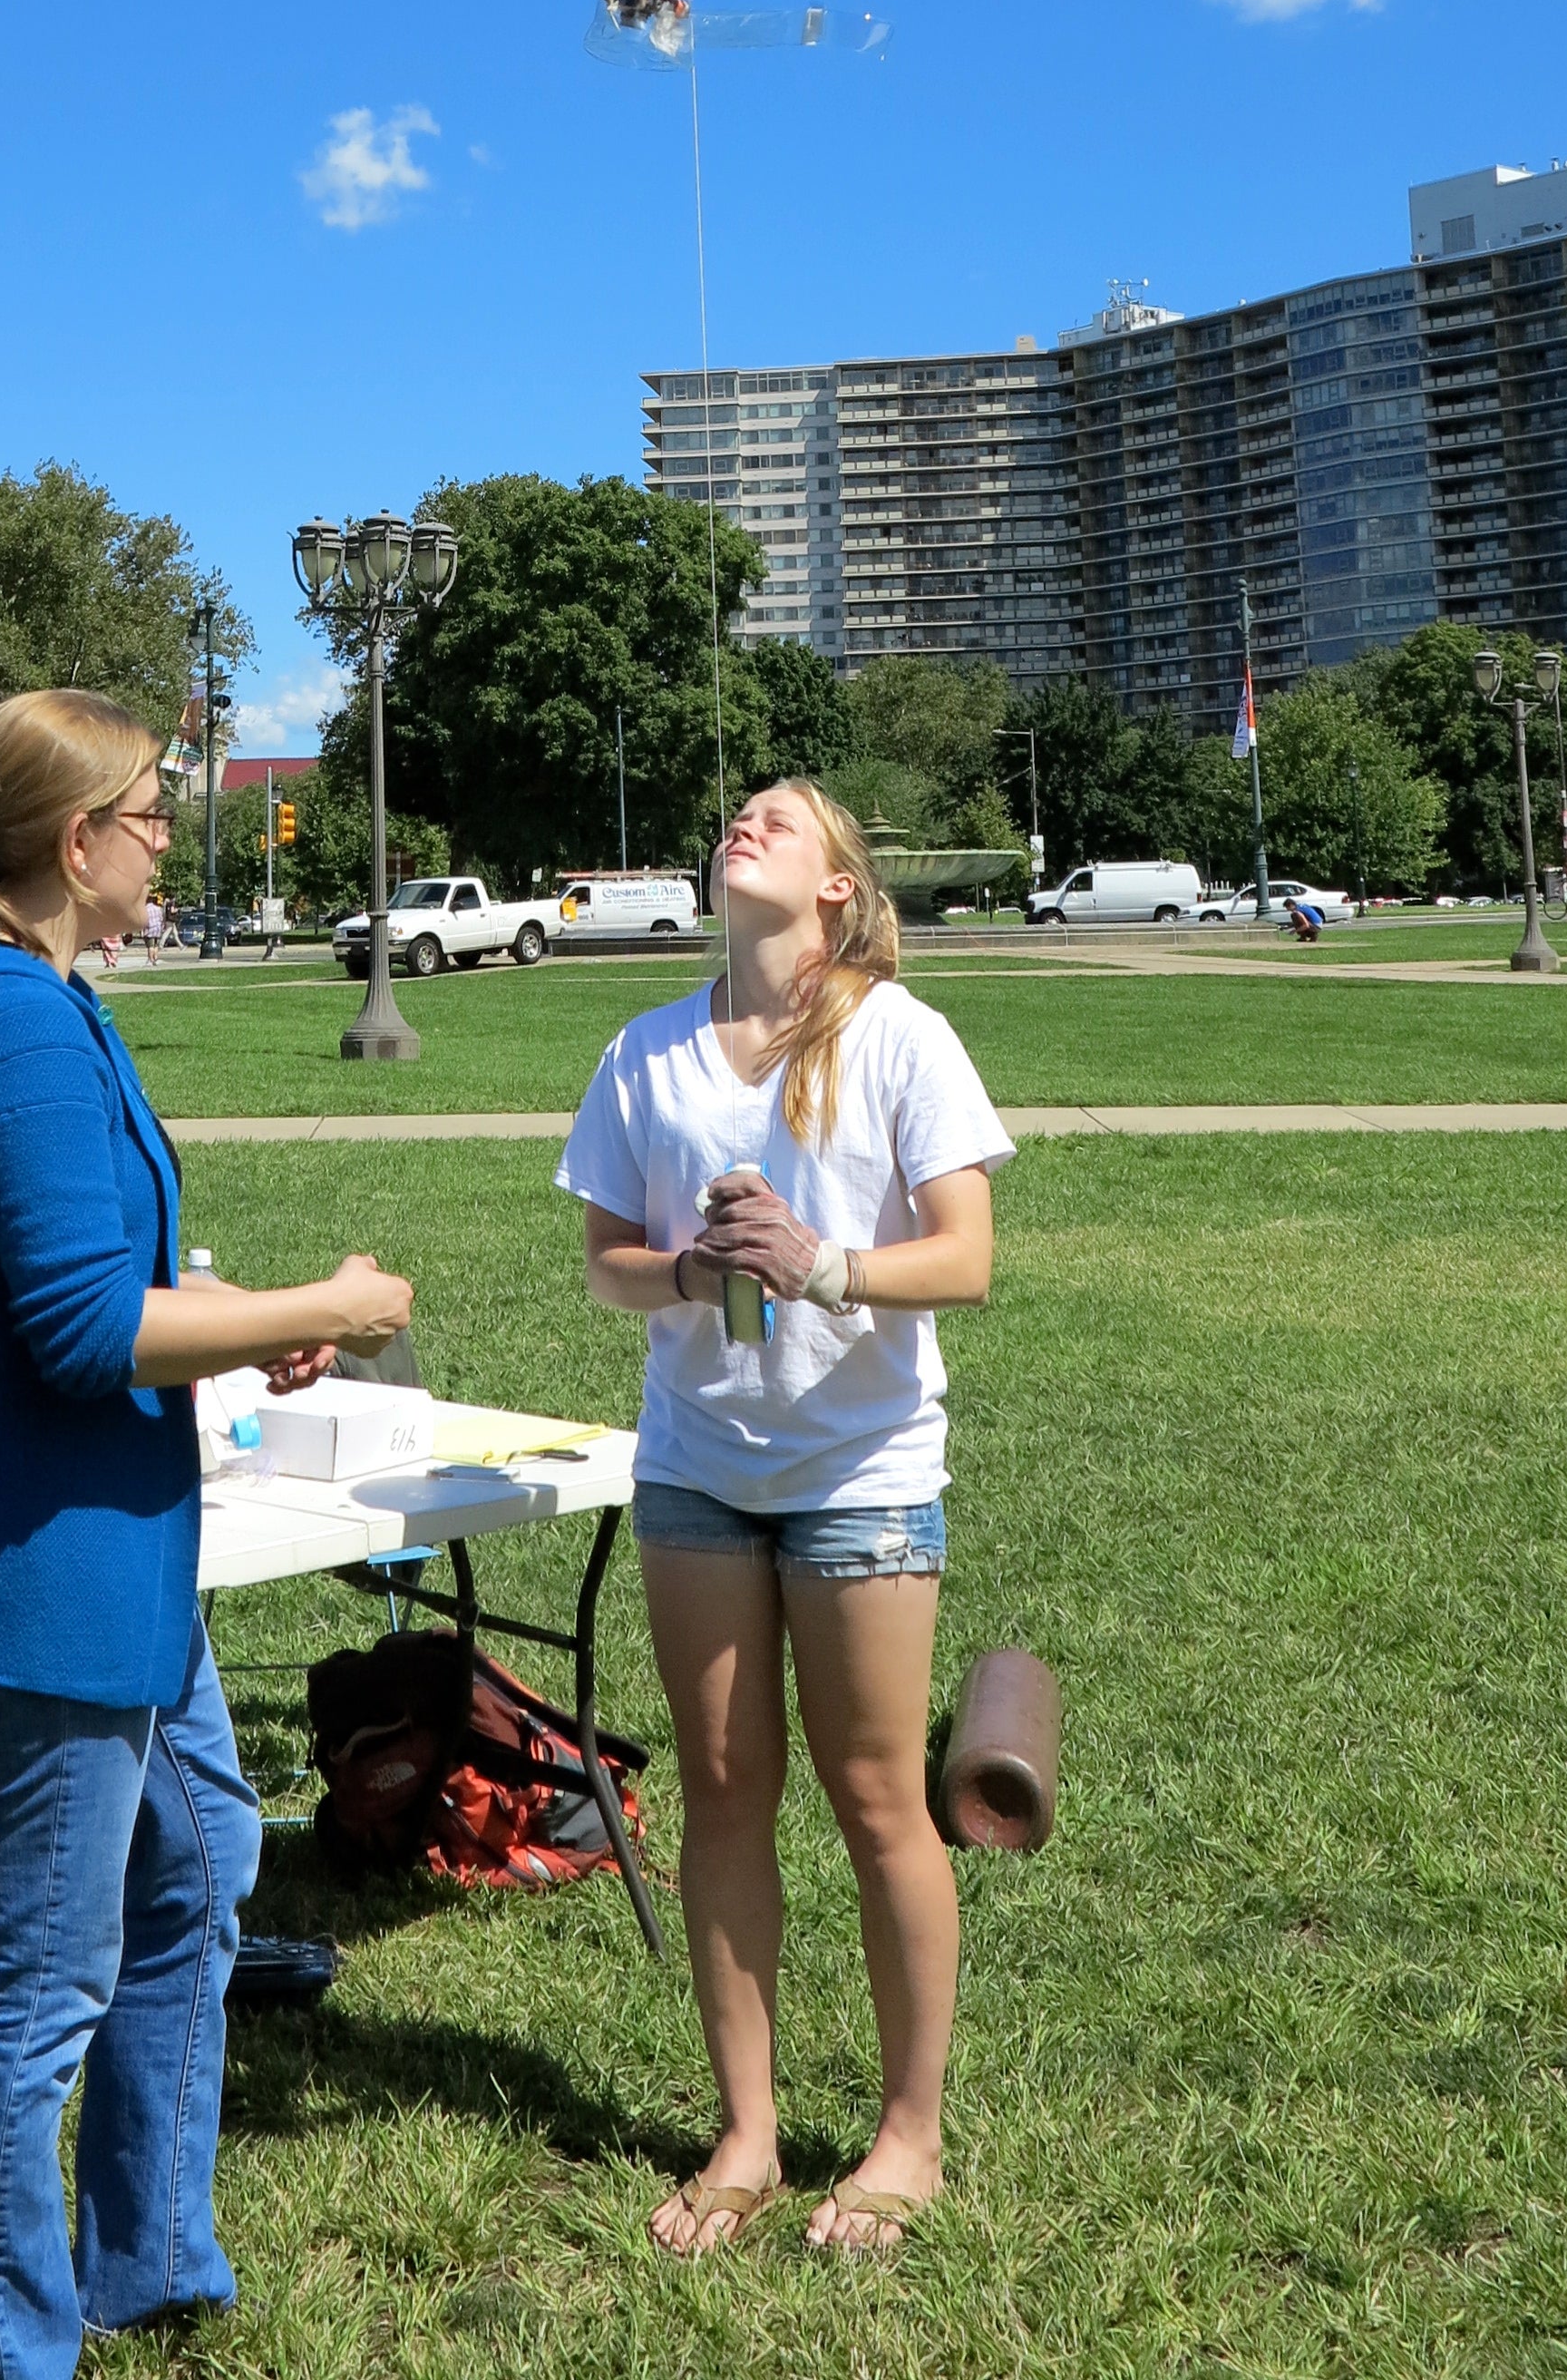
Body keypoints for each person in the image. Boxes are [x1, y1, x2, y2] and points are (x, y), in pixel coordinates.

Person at [0, 688, 414, 2380]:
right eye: (154, 811)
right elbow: (85, 1332)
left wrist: (240, 1317)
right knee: (27, 2000)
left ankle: (145, 2251)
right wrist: (326, 1298)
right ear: (76, 839)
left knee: (201, 1863)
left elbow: (94, 1278)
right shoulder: (7, 1024)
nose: (173, 835)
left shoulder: (42, 1007)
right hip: (45, 1580)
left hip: (116, 1563)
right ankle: (2, 2354)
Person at [559, 776, 1008, 2260]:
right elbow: (607, 1259)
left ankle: (905, 2136)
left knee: (877, 1794)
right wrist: (689, 1273)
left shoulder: (895, 1036)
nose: (742, 822)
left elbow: (962, 1261)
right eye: (735, 814)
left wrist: (820, 1265)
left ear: (834, 886)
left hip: (860, 1472)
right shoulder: (646, 1050)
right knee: (719, 1788)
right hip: (695, 1465)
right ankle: (744, 2131)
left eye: (780, 817)